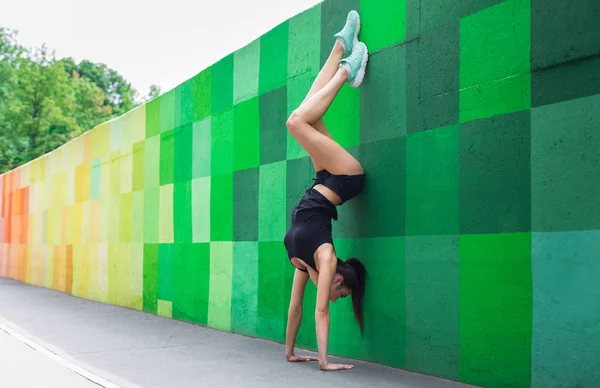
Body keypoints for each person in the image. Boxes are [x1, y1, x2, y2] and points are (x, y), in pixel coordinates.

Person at [283, 10, 368, 371]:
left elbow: (297, 307)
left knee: (307, 117)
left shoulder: (306, 262)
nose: (335, 300)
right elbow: (319, 312)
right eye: (342, 293)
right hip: (347, 178)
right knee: (296, 121)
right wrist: (324, 362)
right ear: (337, 279)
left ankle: (340, 47)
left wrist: (289, 352)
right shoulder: (326, 257)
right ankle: (349, 68)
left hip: (323, 179)